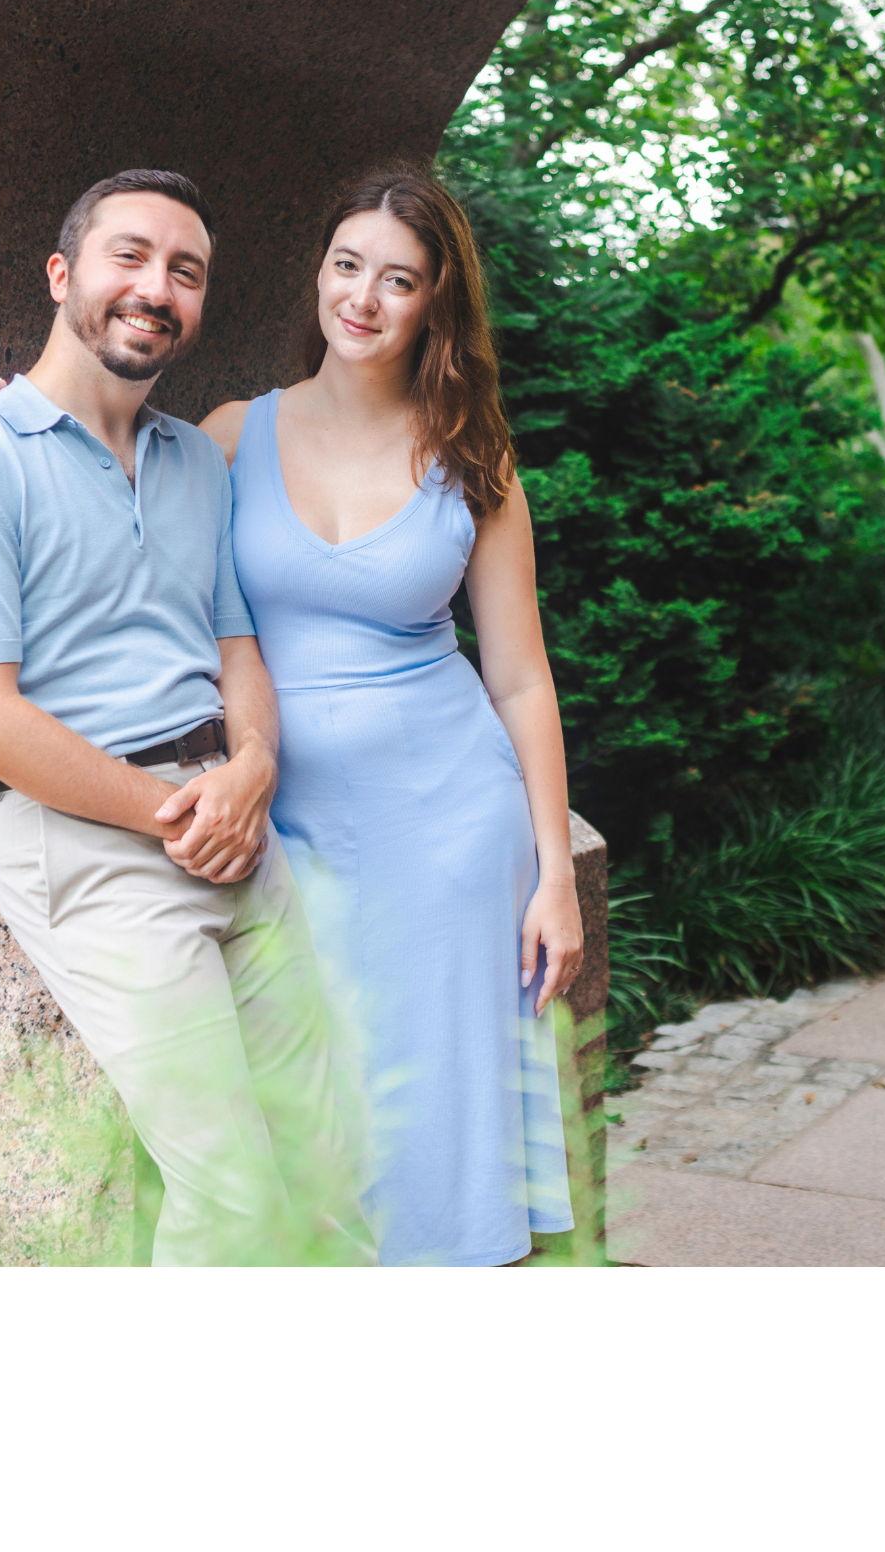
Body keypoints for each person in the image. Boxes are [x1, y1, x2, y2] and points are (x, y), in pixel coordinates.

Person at [0, 167, 370, 1266]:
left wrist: (252, 763)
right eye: (130, 255)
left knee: (329, 1174)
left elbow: (235, 650)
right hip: (90, 846)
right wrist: (177, 809)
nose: (155, 286)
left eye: (185, 271)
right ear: (64, 273)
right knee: (231, 1197)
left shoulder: (190, 465)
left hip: (229, 826)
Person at [198, 164, 581, 1266]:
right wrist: (14, 418)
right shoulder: (229, 433)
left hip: (449, 827)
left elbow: (519, 678)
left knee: (438, 1122)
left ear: (434, 305)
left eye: (398, 279)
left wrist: (553, 872)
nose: (362, 297)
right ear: (317, 271)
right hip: (287, 822)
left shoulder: (473, 458)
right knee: (320, 1104)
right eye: (346, 264)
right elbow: (102, 494)